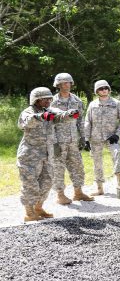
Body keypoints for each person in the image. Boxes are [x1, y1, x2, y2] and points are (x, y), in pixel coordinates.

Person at [17, 87, 75, 221]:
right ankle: (29, 213)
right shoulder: (28, 112)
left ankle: (38, 207)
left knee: (47, 181)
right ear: (36, 100)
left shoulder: (49, 111)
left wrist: (70, 114)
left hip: (46, 154)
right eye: (45, 99)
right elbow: (26, 122)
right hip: (29, 155)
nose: (49, 101)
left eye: (50, 98)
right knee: (30, 183)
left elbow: (60, 115)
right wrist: (40, 117)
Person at [51, 73, 94, 204]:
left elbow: (80, 121)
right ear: (58, 85)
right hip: (59, 141)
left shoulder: (77, 101)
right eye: (64, 83)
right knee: (58, 168)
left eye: (69, 83)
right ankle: (60, 194)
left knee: (77, 166)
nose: (67, 85)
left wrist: (83, 138)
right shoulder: (52, 102)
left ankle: (78, 192)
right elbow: (49, 125)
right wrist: (54, 143)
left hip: (73, 140)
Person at [84, 80, 120, 196]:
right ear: (97, 91)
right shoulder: (92, 105)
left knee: (117, 155)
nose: (104, 90)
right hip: (96, 138)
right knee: (97, 162)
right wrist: (86, 138)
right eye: (101, 88)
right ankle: (99, 188)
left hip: (112, 137)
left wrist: (118, 134)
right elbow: (87, 122)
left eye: (106, 88)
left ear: (109, 89)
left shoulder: (116, 103)